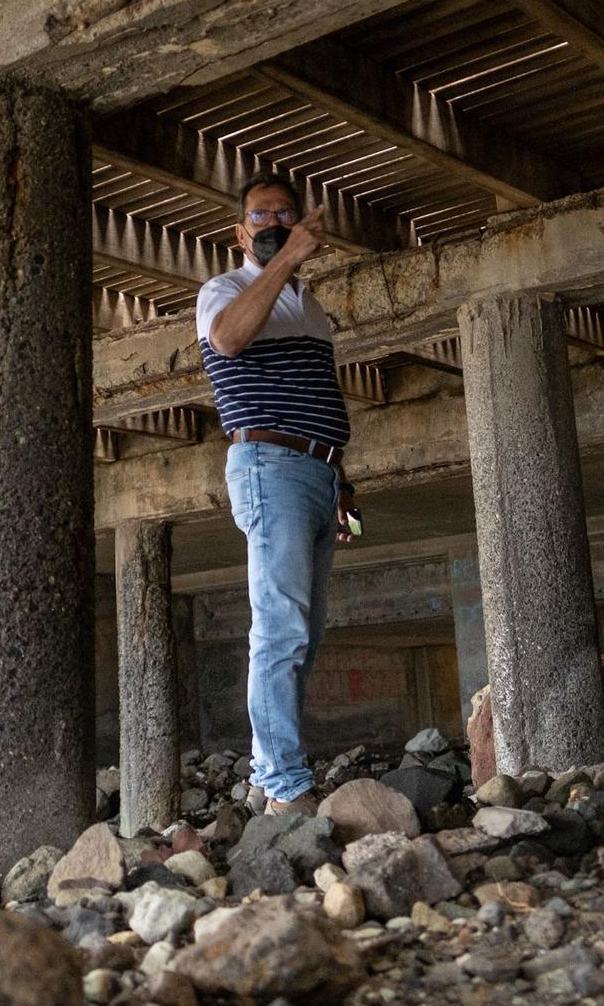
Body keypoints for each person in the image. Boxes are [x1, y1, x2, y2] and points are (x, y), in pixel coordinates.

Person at [196, 171, 356, 816]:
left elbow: (317, 395)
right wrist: (287, 256)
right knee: (281, 629)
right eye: (261, 217)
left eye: (284, 215)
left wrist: (339, 477)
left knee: (305, 633)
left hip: (317, 472)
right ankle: (287, 786)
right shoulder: (224, 288)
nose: (272, 225)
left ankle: (268, 778)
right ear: (241, 232)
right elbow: (229, 340)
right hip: (269, 464)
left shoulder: (309, 307)